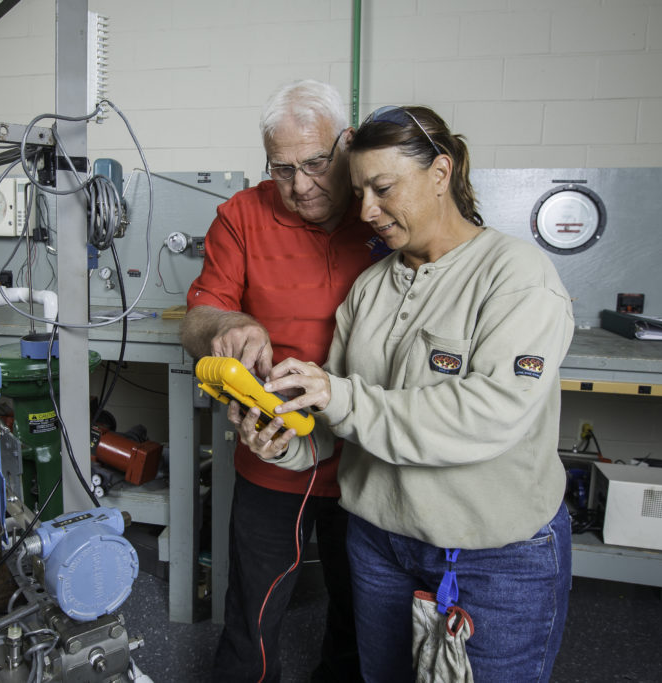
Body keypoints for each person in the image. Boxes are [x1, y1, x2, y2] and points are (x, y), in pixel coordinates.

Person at [231, 105, 574, 682]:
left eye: (383, 188)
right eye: (360, 192)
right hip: (379, 545)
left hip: (493, 556)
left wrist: (338, 397)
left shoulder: (516, 275)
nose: (366, 211)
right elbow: (336, 425)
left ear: (441, 173)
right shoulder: (370, 288)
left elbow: (489, 417)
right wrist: (282, 439)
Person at [181, 80, 390, 682]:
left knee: (364, 612)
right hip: (273, 449)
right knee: (255, 607)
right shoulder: (243, 216)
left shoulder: (385, 214)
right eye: (282, 169)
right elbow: (198, 319)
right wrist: (228, 324)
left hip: (369, 458)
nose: (300, 186)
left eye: (316, 164)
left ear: (347, 145)